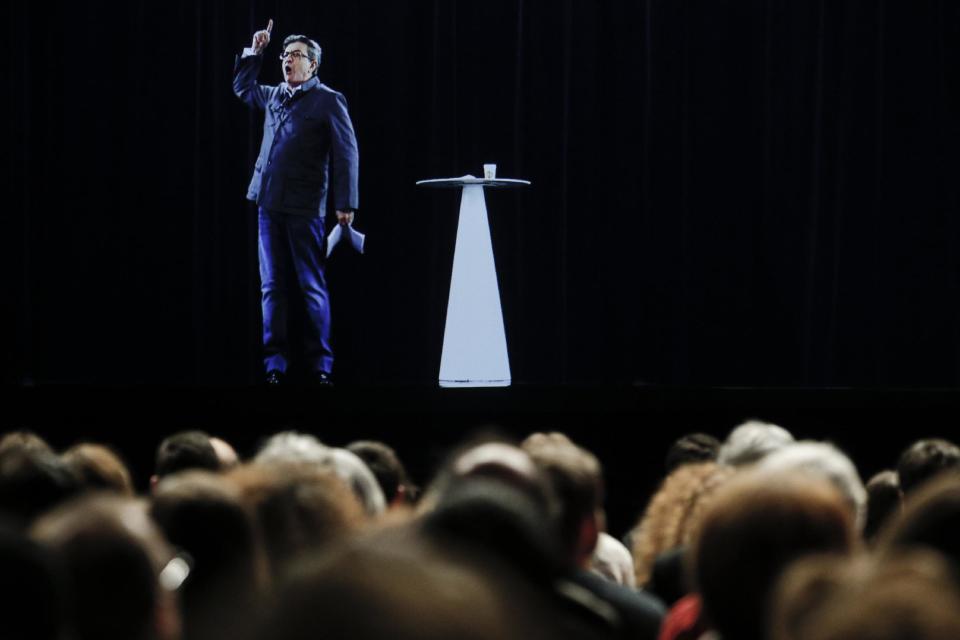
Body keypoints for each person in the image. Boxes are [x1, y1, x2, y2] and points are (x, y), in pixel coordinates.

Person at [234, 20, 360, 386]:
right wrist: (255, 52)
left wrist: (346, 202)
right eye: (285, 55)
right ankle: (275, 366)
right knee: (271, 286)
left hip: (306, 207)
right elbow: (243, 88)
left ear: (313, 64)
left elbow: (347, 153)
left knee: (310, 286)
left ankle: (322, 365)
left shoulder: (329, 101)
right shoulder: (274, 95)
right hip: (268, 204)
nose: (288, 61)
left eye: (296, 55)